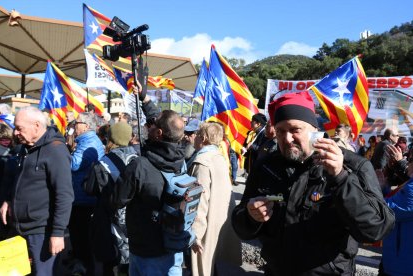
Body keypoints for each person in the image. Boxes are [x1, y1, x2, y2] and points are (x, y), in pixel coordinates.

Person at [232, 91, 395, 275]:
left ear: (314, 130)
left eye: (295, 130)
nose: (287, 139)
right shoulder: (266, 166)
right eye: (280, 131)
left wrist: (340, 178)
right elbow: (241, 225)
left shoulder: (354, 166)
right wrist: (250, 216)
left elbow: (376, 229)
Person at [111, 108, 187, 276]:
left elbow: (116, 199)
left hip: (146, 248)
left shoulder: (140, 165)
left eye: (152, 124)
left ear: (159, 133)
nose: (148, 126)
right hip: (174, 241)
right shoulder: (182, 161)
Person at [0, 107, 74, 275]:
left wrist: (57, 233)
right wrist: (8, 200)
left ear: (36, 125)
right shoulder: (24, 149)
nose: (15, 132)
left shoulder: (55, 150)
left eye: (19, 128)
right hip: (18, 229)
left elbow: (64, 195)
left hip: (42, 232)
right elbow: (17, 181)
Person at [84, 122, 137, 276]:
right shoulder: (139, 159)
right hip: (134, 221)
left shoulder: (102, 164)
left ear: (110, 138)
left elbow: (89, 188)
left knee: (110, 265)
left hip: (109, 223)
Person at [189, 122, 241, 276]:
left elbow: (199, 201)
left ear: (203, 138)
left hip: (206, 226)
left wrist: (196, 234)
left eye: (197, 134)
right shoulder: (219, 157)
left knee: (202, 268)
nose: (195, 138)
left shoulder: (203, 161)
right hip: (220, 222)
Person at [69, 112, 105, 275]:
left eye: (77, 123)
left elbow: (75, 164)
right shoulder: (85, 141)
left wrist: (61, 153)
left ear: (87, 126)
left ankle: (84, 268)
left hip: (84, 199)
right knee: (79, 236)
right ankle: (79, 263)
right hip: (81, 197)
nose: (74, 125)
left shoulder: (89, 142)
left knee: (81, 238)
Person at [381, 150, 413, 275]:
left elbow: (384, 210)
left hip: (403, 267)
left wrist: (374, 188)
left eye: (410, 160)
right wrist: (384, 187)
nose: (407, 164)